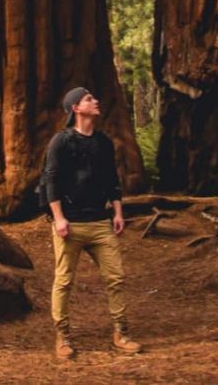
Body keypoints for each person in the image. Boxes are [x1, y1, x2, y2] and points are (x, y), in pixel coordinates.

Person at [43, 85, 138, 360]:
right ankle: (62, 337)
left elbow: (112, 179)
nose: (95, 101)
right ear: (75, 108)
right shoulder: (60, 142)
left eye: (94, 97)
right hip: (70, 225)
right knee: (64, 282)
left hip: (100, 223)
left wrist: (118, 212)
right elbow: (51, 180)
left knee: (116, 277)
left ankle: (121, 332)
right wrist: (59, 219)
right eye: (88, 99)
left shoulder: (103, 141)